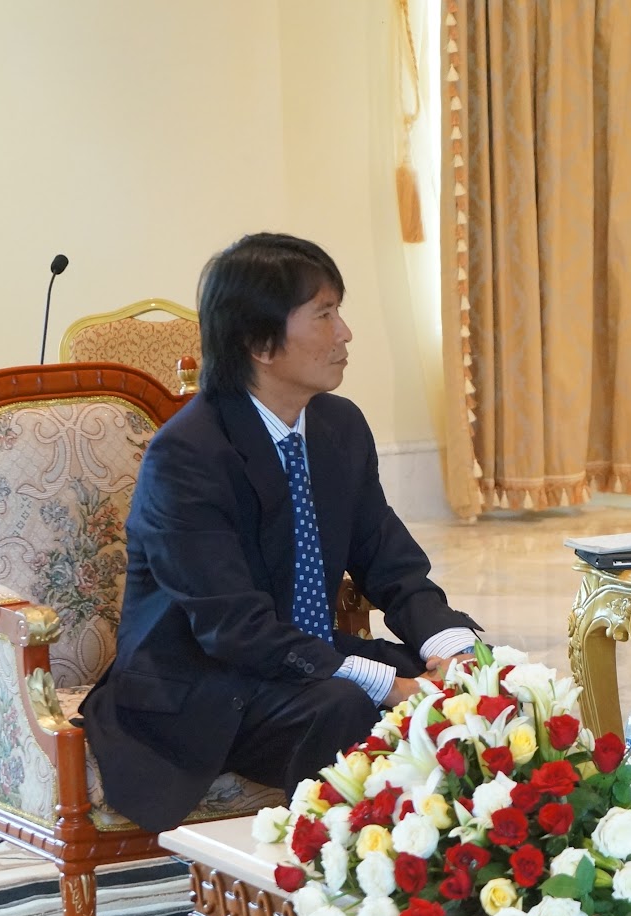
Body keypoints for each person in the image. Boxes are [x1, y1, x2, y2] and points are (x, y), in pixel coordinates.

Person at [82, 233, 482, 833]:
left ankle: (439, 869)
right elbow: (233, 628)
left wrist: (453, 652)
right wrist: (392, 684)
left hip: (296, 662)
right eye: (324, 315)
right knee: (353, 702)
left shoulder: (337, 427)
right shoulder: (188, 455)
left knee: (475, 690)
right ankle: (328, 874)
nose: (345, 333)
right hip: (204, 684)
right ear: (260, 343)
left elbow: (391, 562)